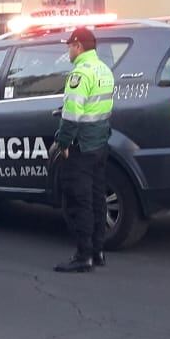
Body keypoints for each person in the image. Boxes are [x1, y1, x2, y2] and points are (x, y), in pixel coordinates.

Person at [50, 27, 115, 273]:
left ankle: (83, 255)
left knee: (79, 201)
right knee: (98, 199)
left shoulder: (79, 74)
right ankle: (97, 251)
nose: (68, 51)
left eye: (69, 46)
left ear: (78, 46)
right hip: (100, 143)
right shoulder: (104, 70)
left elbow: (72, 114)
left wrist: (63, 142)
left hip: (81, 147)